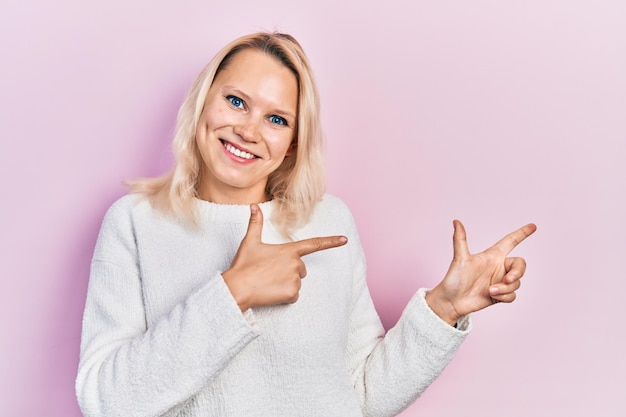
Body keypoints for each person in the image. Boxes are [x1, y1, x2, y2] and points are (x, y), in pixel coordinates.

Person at [75, 32, 536, 417]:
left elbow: (363, 395)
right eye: (236, 101)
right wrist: (233, 292)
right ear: (203, 103)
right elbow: (105, 401)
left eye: (276, 119)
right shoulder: (134, 224)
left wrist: (444, 309)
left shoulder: (329, 222)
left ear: (294, 143)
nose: (249, 130)